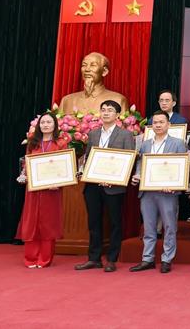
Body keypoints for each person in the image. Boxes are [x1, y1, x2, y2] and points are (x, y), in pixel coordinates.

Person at [74, 100, 136, 273]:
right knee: (94, 222)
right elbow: (88, 158)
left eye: (110, 110)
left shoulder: (125, 135)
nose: (106, 113)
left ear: (117, 115)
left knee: (115, 223)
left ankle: (111, 259)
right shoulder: (93, 134)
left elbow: (129, 160)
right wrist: (83, 171)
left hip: (114, 187)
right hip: (93, 186)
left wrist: (114, 179)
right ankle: (94, 258)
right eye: (103, 110)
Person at [130, 110, 188, 273]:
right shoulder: (145, 144)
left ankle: (166, 259)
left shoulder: (178, 143)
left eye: (161, 122)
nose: (158, 125)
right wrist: (137, 175)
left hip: (168, 192)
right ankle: (147, 259)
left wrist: (175, 185)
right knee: (149, 227)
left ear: (168, 124)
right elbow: (141, 164)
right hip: (147, 192)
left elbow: (182, 167)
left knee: (169, 227)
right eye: (155, 122)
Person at [16, 112, 63, 268]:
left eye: (49, 122)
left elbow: (64, 166)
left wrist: (58, 182)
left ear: (55, 125)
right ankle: (31, 257)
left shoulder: (61, 143)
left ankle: (44, 258)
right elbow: (26, 164)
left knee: (48, 223)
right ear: (38, 125)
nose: (45, 125)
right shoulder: (32, 143)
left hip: (52, 189)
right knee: (32, 221)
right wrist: (24, 175)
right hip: (34, 189)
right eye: (42, 122)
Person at [59, 52, 128, 113]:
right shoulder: (67, 100)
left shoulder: (118, 100)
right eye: (84, 65)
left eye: (93, 65)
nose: (87, 69)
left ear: (104, 72)